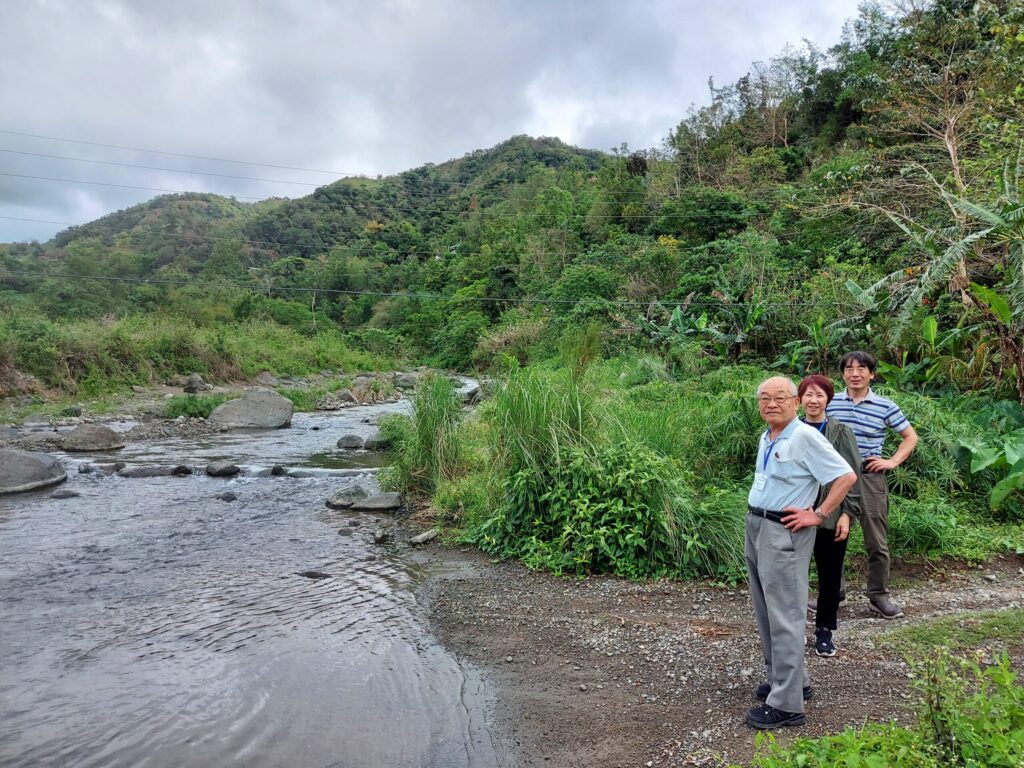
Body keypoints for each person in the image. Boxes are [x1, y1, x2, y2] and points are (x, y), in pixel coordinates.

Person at [745, 376, 857, 730]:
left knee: (786, 614)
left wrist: (820, 513)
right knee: (766, 610)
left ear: (795, 402)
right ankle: (789, 680)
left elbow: (846, 476)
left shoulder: (806, 436)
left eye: (780, 397)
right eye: (765, 398)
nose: (772, 403)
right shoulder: (769, 435)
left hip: (785, 532)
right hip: (759, 526)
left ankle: (788, 705)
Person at [827, 351, 918, 619]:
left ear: (872, 374)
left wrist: (892, 461)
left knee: (876, 540)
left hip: (869, 477)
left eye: (861, 368)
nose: (855, 373)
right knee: (832, 537)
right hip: (835, 478)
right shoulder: (831, 403)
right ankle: (834, 593)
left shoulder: (885, 405)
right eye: (849, 368)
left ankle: (878, 595)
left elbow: (910, 437)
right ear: (843, 373)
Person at [798, 374, 861, 658]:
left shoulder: (840, 432)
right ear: (799, 400)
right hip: (796, 514)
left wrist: (847, 514)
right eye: (808, 395)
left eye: (819, 395)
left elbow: (851, 474)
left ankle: (825, 631)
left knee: (830, 576)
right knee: (793, 576)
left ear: (828, 400)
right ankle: (792, 630)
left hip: (830, 515)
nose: (813, 400)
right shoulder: (790, 430)